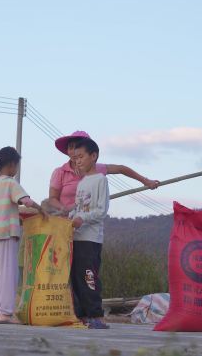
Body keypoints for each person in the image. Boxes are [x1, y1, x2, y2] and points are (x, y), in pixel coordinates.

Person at [0, 146, 45, 325]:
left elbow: (2, 210)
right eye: (17, 165)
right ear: (12, 165)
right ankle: (6, 314)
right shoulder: (11, 183)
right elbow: (25, 201)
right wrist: (40, 209)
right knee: (8, 274)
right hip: (7, 235)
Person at [46, 130, 159, 215]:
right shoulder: (60, 172)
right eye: (71, 147)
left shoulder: (96, 169)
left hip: (86, 227)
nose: (74, 151)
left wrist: (145, 181)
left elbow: (120, 169)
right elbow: (52, 199)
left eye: (78, 148)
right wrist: (63, 209)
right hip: (64, 226)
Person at [68, 138, 110, 329]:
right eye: (75, 158)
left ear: (94, 156)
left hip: (91, 238)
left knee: (88, 276)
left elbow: (101, 211)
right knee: (75, 277)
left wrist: (82, 219)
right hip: (76, 237)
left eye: (81, 156)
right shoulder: (82, 182)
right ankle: (83, 316)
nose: (78, 161)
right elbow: (78, 208)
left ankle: (96, 315)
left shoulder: (101, 180)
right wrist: (69, 217)